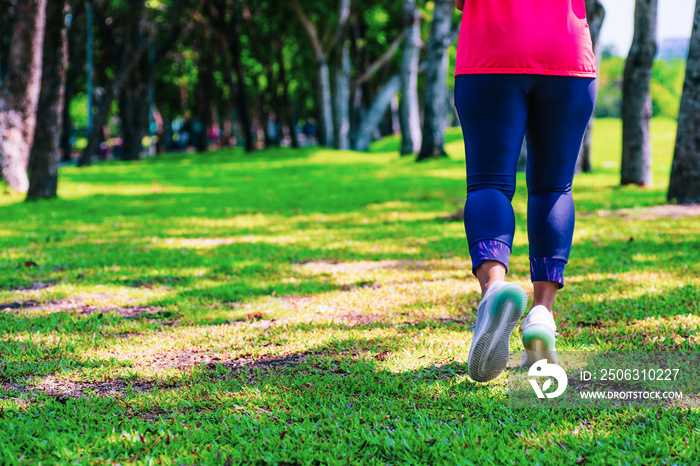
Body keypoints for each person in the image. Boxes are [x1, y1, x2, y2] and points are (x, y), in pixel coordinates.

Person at [453, 0, 597, 382]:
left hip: (491, 52)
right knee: (553, 188)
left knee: (489, 183)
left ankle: (494, 290)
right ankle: (541, 315)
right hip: (566, 54)